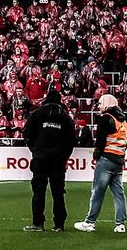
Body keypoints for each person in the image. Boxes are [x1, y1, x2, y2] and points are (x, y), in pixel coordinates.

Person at [75, 94, 127, 234]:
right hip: (119, 160)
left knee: (98, 192)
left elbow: (100, 141)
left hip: (106, 159)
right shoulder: (124, 121)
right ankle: (120, 224)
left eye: (100, 103)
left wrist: (96, 155)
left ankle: (90, 222)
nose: (99, 106)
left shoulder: (106, 118)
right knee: (119, 193)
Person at [23, 86, 75, 232]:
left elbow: (26, 134)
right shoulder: (65, 117)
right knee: (58, 192)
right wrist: (64, 156)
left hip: (40, 158)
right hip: (58, 159)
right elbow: (71, 140)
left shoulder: (37, 114)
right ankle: (59, 224)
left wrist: (35, 150)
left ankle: (37, 223)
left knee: (39, 191)